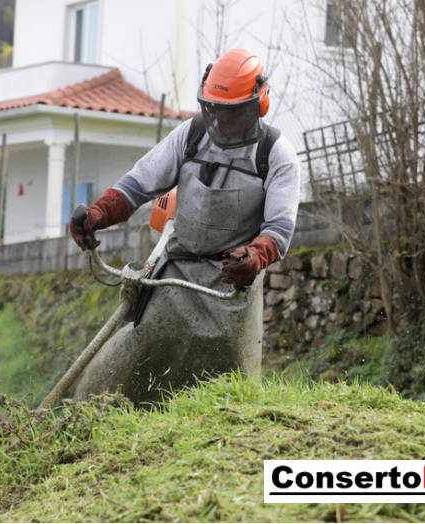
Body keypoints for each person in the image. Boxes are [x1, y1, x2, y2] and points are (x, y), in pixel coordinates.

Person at [69, 48, 301, 406]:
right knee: (132, 357)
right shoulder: (191, 135)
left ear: (258, 105)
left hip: (231, 287)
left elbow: (280, 229)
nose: (221, 122)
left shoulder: (275, 154)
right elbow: (137, 185)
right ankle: (85, 410)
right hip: (175, 274)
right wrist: (97, 214)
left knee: (223, 387)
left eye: (232, 113)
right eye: (214, 111)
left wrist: (255, 256)